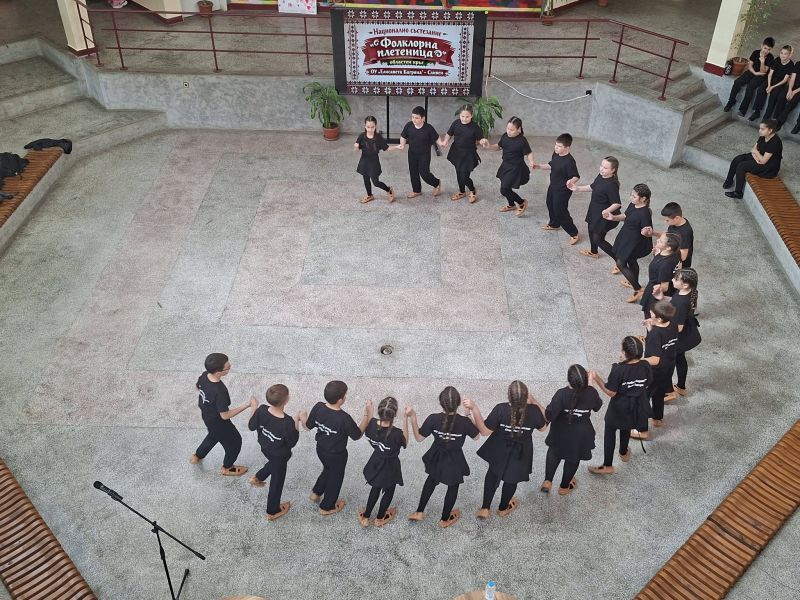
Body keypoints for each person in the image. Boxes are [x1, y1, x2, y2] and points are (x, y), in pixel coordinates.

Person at [464, 381, 547, 518]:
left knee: (492, 475)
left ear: (509, 396)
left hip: (499, 448)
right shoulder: (534, 411)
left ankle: (485, 508)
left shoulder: (501, 409)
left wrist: (475, 408)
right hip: (521, 452)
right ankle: (503, 508)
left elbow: (484, 431)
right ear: (526, 396)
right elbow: (543, 428)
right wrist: (534, 401)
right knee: (511, 480)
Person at [407, 387, 480, 528]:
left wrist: (413, 416)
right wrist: (469, 415)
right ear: (458, 403)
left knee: (430, 481)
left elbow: (419, 438)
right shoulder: (464, 422)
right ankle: (444, 519)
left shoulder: (433, 419)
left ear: (441, 403)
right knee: (453, 486)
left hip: (436, 456)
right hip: (455, 459)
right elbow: (477, 437)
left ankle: (419, 512)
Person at [300, 381, 373, 516]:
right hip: (337, 455)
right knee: (335, 478)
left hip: (321, 449)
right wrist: (367, 415)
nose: (345, 397)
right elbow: (357, 435)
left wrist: (303, 416)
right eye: (345, 395)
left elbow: (308, 425)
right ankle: (326, 507)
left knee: (328, 469)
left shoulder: (318, 407)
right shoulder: (344, 418)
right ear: (340, 400)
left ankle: (316, 493)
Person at [588, 336, 652, 474]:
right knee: (626, 428)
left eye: (622, 350)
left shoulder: (619, 370)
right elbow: (647, 383)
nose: (620, 352)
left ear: (627, 354)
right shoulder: (645, 365)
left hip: (619, 407)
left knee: (610, 432)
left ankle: (607, 465)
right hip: (636, 406)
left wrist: (596, 378)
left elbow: (611, 392)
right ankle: (623, 452)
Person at [190, 353, 254, 476]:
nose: (229, 367)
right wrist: (247, 405)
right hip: (219, 423)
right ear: (218, 372)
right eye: (227, 368)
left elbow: (197, 387)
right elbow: (225, 415)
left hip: (207, 416)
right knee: (235, 443)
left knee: (213, 436)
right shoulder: (220, 391)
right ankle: (228, 468)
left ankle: (197, 456)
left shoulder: (205, 375)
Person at [541, 365, 602, 495]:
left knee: (554, 453)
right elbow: (597, 407)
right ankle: (564, 487)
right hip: (581, 435)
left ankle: (548, 481)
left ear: (569, 380)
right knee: (573, 459)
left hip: (560, 432)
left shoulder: (561, 394)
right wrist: (591, 385)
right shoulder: (591, 392)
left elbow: (550, 415)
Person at [247, 384, 302, 521]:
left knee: (273, 463)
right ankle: (272, 511)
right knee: (277, 482)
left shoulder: (261, 410)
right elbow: (292, 442)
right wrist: (296, 420)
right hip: (279, 455)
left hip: (265, 447)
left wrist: (254, 407)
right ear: (286, 400)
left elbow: (251, 426)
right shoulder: (287, 422)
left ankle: (258, 477)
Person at [632, 300, 679, 440]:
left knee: (643, 399)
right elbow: (662, 344)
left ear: (659, 318)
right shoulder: (673, 324)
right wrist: (650, 328)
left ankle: (641, 430)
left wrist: (638, 362)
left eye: (652, 314)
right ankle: (657, 419)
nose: (650, 315)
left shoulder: (656, 334)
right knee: (658, 394)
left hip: (654, 372)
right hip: (668, 367)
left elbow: (655, 359)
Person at [359, 396, 409, 527]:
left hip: (376, 461)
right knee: (389, 490)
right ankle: (380, 518)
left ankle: (366, 517)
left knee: (375, 488)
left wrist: (368, 409)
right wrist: (405, 419)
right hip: (391, 466)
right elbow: (405, 441)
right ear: (395, 414)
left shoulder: (371, 425)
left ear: (379, 412)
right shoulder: (397, 434)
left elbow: (371, 421)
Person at [605, 183, 653, 303]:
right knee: (631, 261)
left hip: (634, 241)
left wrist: (646, 232)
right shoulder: (633, 204)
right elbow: (625, 216)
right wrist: (613, 217)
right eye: (631, 195)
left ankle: (638, 289)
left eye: (634, 196)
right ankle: (633, 281)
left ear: (643, 198)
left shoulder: (644, 213)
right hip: (626, 235)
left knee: (620, 263)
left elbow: (648, 231)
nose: (631, 198)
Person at [567, 156, 622, 259]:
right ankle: (594, 252)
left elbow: (617, 203)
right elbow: (593, 186)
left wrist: (607, 211)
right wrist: (577, 188)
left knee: (598, 239)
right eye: (601, 166)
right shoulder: (601, 176)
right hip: (595, 210)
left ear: (613, 170)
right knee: (591, 229)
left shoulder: (611, 185)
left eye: (605, 168)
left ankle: (620, 262)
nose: (601, 169)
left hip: (605, 216)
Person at [480, 116, 534, 217]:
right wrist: (489, 146)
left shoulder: (522, 141)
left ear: (519, 129)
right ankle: (511, 204)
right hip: (506, 165)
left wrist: (531, 161)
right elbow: (498, 146)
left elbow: (529, 153)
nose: (509, 131)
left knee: (504, 189)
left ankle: (522, 202)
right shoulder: (505, 136)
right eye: (508, 128)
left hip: (516, 168)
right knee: (507, 187)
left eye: (512, 129)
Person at [662, 268, 701, 401]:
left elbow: (678, 328)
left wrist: (662, 329)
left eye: (676, 279)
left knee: (667, 364)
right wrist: (662, 298)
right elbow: (674, 301)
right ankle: (681, 387)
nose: (672, 280)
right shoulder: (686, 293)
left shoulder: (681, 302)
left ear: (685, 285)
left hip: (678, 337)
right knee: (680, 359)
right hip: (687, 334)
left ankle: (668, 391)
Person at [535, 133, 581, 245]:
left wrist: (571, 181)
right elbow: (552, 165)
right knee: (550, 203)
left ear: (567, 147)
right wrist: (540, 166)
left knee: (560, 210)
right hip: (553, 186)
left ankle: (574, 233)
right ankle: (554, 224)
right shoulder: (556, 154)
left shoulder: (569, 161)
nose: (556, 147)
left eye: (559, 146)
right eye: (555, 145)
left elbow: (576, 176)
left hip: (563, 190)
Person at [438, 104, 488, 203]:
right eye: (462, 116)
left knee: (464, 176)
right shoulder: (456, 123)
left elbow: (480, 138)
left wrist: (483, 141)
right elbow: (449, 133)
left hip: (468, 154)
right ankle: (462, 192)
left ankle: (473, 190)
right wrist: (446, 140)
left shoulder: (475, 127)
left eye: (467, 117)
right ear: (459, 115)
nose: (464, 119)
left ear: (472, 115)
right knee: (458, 172)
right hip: (457, 152)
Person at [723, 119, 783, 199]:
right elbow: (753, 149)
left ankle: (738, 193)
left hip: (769, 167)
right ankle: (729, 180)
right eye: (760, 128)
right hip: (759, 158)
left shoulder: (775, 142)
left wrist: (756, 153)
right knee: (737, 159)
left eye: (762, 129)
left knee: (742, 166)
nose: (759, 131)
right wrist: (757, 157)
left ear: (770, 130)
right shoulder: (763, 136)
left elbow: (763, 161)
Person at [396, 106, 442, 198]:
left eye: (417, 118)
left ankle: (436, 183)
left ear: (423, 118)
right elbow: (403, 136)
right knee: (413, 172)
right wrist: (402, 144)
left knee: (424, 173)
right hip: (412, 153)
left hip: (424, 155)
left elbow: (437, 138)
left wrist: (442, 143)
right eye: (412, 117)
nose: (414, 119)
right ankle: (416, 190)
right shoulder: (409, 125)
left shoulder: (428, 128)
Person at [724, 37, 774, 114]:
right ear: (761, 46)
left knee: (750, 87)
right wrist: (754, 72)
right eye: (765, 48)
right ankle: (731, 102)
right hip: (752, 72)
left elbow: (763, 71)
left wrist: (762, 61)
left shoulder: (770, 57)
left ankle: (742, 110)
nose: (766, 51)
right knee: (737, 82)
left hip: (761, 76)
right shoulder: (756, 52)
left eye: (768, 49)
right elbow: (750, 65)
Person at [355, 116, 394, 204]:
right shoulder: (362, 136)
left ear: (375, 126)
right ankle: (370, 195)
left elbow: (387, 148)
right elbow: (357, 149)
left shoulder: (378, 137)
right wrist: (356, 147)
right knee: (366, 179)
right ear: (365, 126)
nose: (370, 129)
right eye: (368, 127)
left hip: (374, 162)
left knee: (376, 182)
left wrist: (397, 147)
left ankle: (389, 189)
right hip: (364, 161)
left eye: (372, 127)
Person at [642, 202, 694, 268]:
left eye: (667, 220)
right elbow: (668, 236)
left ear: (677, 218)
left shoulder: (685, 233)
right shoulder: (677, 222)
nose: (665, 222)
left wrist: (661, 253)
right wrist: (653, 233)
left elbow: (683, 256)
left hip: (677, 267)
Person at [640, 232, 681, 317]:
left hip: (655, 288)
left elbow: (665, 287)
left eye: (661, 241)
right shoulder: (675, 253)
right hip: (667, 286)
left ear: (668, 247)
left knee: (650, 315)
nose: (657, 240)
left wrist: (656, 292)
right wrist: (657, 254)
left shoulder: (665, 265)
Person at [749, 45, 794, 121]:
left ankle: (766, 117)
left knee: (774, 95)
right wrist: (769, 85)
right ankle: (757, 112)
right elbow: (770, 74)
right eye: (781, 53)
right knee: (760, 90)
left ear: (789, 55)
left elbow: (785, 80)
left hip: (780, 82)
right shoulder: (777, 60)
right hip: (771, 79)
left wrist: (772, 87)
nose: (782, 55)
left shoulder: (791, 65)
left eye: (785, 54)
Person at [774, 58, 800, 134]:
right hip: (793, 86)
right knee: (781, 96)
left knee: (792, 102)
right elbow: (792, 78)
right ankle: (775, 118)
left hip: (799, 90)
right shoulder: (798, 63)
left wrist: (793, 92)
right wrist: (790, 89)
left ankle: (780, 122)